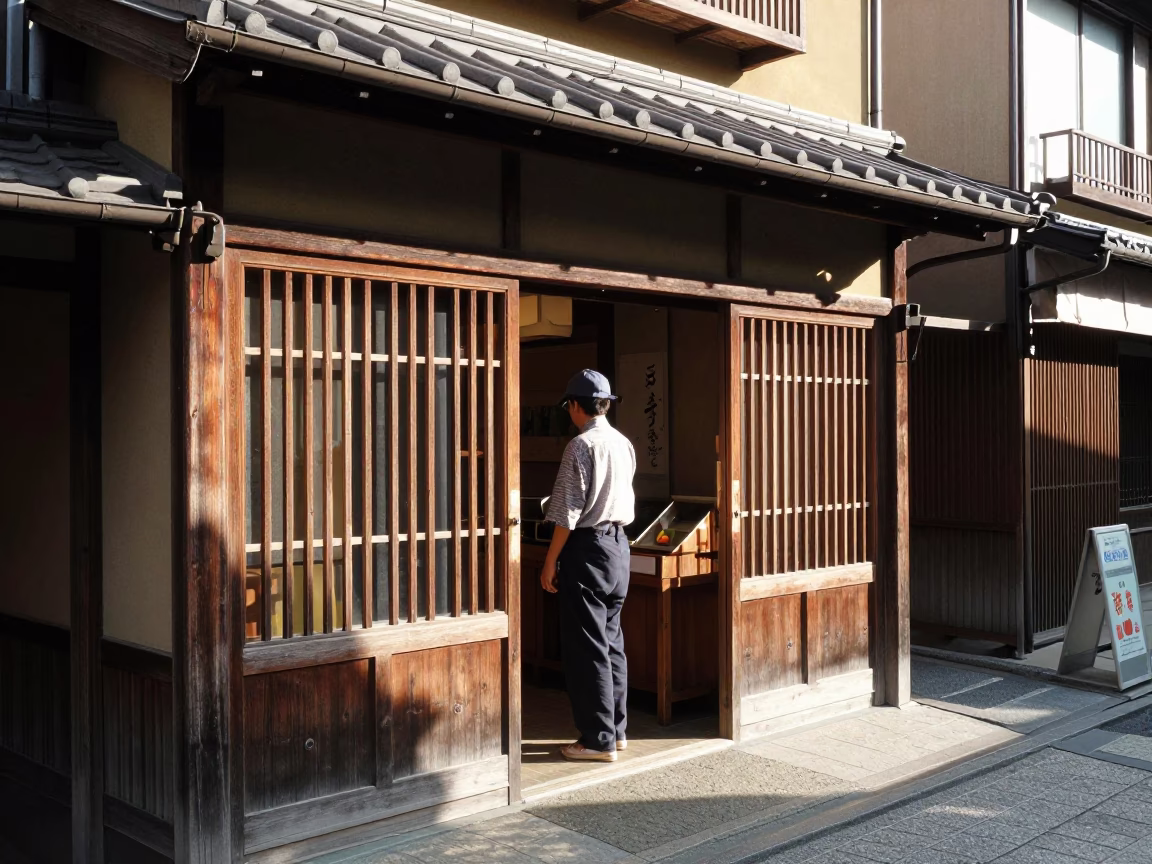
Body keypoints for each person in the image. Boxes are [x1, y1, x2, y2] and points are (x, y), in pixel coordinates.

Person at [541, 369, 637, 762]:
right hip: (619, 548)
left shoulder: (580, 446)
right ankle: (616, 731)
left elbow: (566, 513)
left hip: (588, 547)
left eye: (569, 406)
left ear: (576, 406)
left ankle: (596, 740)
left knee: (587, 647)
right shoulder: (622, 442)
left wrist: (550, 562)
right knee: (612, 641)